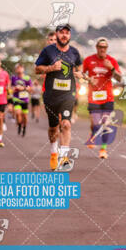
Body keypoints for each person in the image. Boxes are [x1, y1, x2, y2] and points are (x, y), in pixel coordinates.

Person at [35, 24, 83, 171]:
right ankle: (54, 153)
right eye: (61, 33)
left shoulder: (75, 52)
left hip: (68, 95)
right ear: (57, 35)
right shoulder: (48, 51)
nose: (64, 35)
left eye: (67, 33)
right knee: (53, 128)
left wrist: (79, 74)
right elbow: (37, 69)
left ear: (70, 36)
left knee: (66, 124)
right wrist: (50, 68)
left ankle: (64, 158)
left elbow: (79, 68)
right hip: (51, 95)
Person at [82, 37, 122, 159]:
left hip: (108, 97)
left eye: (104, 47)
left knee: (105, 123)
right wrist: (89, 79)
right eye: (100, 47)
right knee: (96, 124)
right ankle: (93, 132)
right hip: (93, 97)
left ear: (107, 48)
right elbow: (81, 73)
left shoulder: (112, 61)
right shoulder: (89, 60)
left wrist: (112, 69)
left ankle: (103, 149)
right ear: (97, 48)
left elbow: (120, 78)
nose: (102, 49)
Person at [11, 64, 32, 137]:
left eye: (20, 68)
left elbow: (30, 89)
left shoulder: (27, 78)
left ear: (23, 69)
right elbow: (11, 88)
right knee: (17, 113)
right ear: (16, 70)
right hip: (16, 98)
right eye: (18, 68)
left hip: (25, 99)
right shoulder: (14, 77)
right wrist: (14, 89)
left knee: (25, 116)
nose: (19, 70)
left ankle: (24, 128)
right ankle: (19, 125)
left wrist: (23, 88)